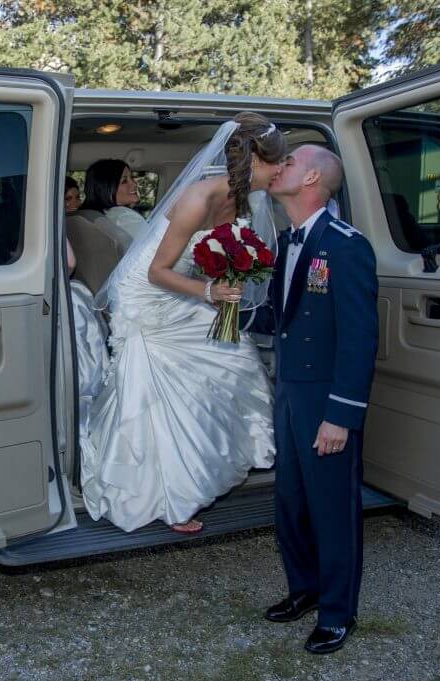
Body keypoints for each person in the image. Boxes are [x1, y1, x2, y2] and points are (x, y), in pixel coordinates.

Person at [79, 112, 285, 534]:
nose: (282, 170)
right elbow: (157, 270)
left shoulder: (247, 198)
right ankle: (172, 495)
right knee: (165, 386)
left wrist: (227, 280)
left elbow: (219, 253)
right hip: (149, 294)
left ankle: (225, 455)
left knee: (236, 357)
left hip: (185, 285)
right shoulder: (197, 198)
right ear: (255, 162)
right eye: (277, 162)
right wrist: (210, 294)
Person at [257, 145, 378, 655]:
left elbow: (359, 339)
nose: (277, 166)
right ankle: (304, 588)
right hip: (289, 396)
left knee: (332, 508)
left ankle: (337, 611)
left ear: (310, 177)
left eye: (287, 161)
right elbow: (279, 316)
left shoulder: (346, 246)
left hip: (326, 401)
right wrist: (220, 311)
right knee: (291, 503)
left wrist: (340, 418)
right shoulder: (287, 241)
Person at [80, 159, 149, 241]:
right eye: (124, 181)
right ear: (105, 189)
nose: (134, 184)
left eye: (132, 178)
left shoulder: (90, 216)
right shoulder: (124, 217)